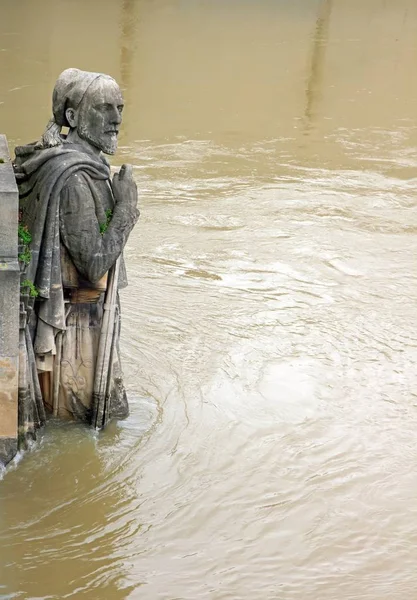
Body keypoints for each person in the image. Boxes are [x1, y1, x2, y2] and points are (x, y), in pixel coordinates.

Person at [14, 68, 139, 428]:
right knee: (81, 428)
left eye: (120, 106)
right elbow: (94, 263)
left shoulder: (81, 165)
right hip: (76, 331)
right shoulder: (75, 180)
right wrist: (127, 209)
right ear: (72, 117)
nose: (116, 119)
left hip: (80, 319)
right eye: (104, 108)